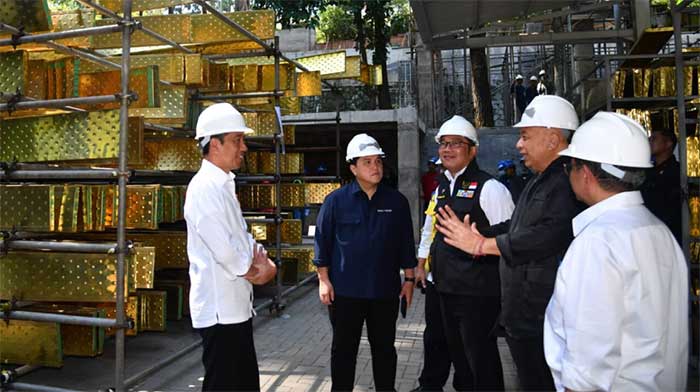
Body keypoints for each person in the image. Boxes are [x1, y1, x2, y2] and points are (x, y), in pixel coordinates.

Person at [435, 95, 583, 391]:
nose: (519, 144)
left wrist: (481, 245)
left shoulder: (566, 181)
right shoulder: (542, 179)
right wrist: (480, 235)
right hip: (523, 312)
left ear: (553, 139)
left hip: (537, 311)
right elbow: (517, 226)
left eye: (525, 136)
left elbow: (547, 234)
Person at [545, 111, 688, 391]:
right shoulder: (658, 231)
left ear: (585, 173)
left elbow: (588, 368)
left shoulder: (598, 243)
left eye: (569, 167)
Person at [185, 103, 277, 391]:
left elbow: (243, 238)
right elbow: (227, 253)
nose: (244, 148)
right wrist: (258, 270)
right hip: (219, 312)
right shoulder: (204, 189)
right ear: (215, 144)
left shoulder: (223, 185)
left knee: (245, 383)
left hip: (234, 308)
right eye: (237, 140)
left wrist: (263, 261)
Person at [314, 133, 417, 392]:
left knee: (384, 349)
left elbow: (406, 243)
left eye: (378, 161)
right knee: (343, 350)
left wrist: (410, 279)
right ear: (353, 167)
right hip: (345, 293)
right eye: (368, 162)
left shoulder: (397, 202)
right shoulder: (335, 202)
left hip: (384, 292)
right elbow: (322, 244)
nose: (375, 167)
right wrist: (323, 281)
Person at [430, 115, 514, 391]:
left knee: (481, 361)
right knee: (461, 361)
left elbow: (509, 240)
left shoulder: (490, 188)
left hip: (478, 294)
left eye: (456, 144)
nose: (447, 149)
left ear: (473, 150)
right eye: (443, 143)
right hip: (447, 289)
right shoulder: (443, 185)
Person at [412, 188, 469, 392]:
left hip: (465, 283)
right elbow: (428, 231)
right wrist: (421, 265)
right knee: (435, 336)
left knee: (463, 340)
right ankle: (430, 385)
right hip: (436, 279)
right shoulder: (439, 192)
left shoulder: (488, 188)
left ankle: (466, 385)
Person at [642, 128, 681, 244]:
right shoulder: (647, 171)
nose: (649, 141)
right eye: (649, 138)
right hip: (647, 231)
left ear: (668, 144)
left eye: (654, 138)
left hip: (668, 234)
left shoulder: (676, 172)